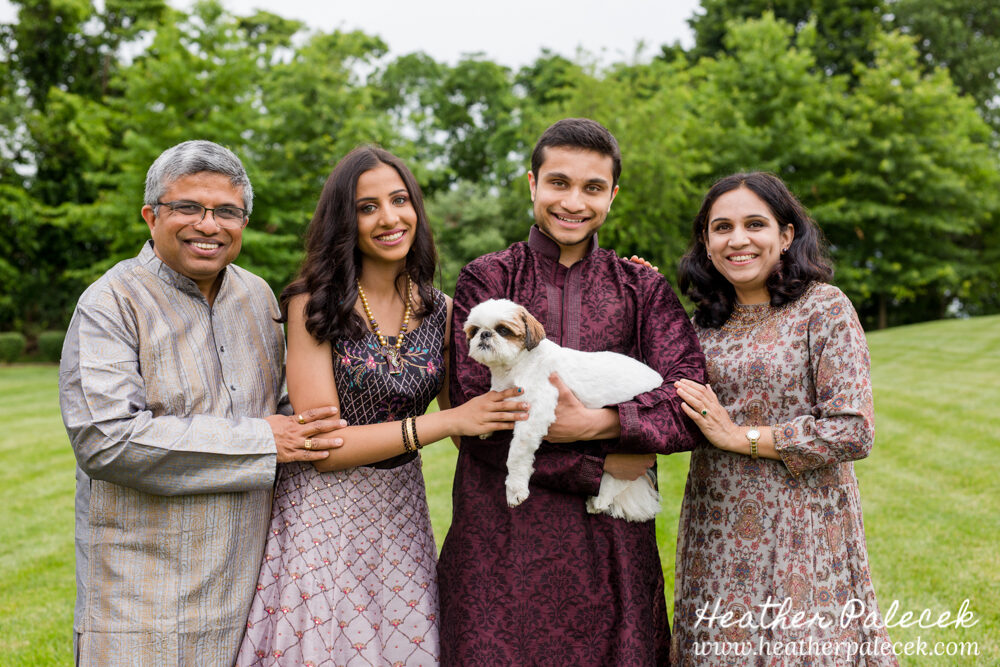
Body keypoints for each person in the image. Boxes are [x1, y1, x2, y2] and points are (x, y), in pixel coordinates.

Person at [236, 145, 528, 666]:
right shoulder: (314, 303)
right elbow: (322, 447)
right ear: (344, 221)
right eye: (368, 207)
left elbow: (473, 425)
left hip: (399, 507)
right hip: (322, 513)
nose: (389, 218)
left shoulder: (443, 311)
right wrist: (449, 419)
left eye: (399, 200)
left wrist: (620, 281)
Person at [59, 140, 347, 665]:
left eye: (227, 212)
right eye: (188, 208)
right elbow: (106, 439)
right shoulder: (112, 301)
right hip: (140, 603)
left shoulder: (258, 296)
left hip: (250, 592)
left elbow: (288, 408)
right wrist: (264, 440)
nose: (209, 225)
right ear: (151, 216)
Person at [437, 118, 706, 666]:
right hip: (501, 536)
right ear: (532, 183)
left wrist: (603, 425)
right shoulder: (487, 282)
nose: (573, 202)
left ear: (612, 195)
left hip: (609, 542)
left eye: (592, 188)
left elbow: (687, 399)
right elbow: (478, 418)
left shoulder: (641, 288)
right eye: (558, 183)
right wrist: (603, 466)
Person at [671, 172, 897, 665]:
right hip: (717, 525)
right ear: (706, 243)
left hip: (804, 525)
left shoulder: (824, 309)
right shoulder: (701, 325)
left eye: (755, 224)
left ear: (786, 235)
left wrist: (739, 436)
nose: (738, 239)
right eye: (721, 227)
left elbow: (853, 429)